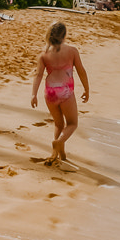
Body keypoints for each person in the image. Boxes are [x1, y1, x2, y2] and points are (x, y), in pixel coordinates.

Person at [31, 22, 89, 166]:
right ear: (64, 35)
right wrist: (87, 89)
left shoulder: (43, 54)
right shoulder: (72, 51)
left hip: (50, 92)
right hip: (65, 91)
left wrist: (34, 94)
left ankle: (58, 153)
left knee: (58, 124)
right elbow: (81, 71)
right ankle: (59, 142)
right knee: (72, 123)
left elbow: (38, 75)